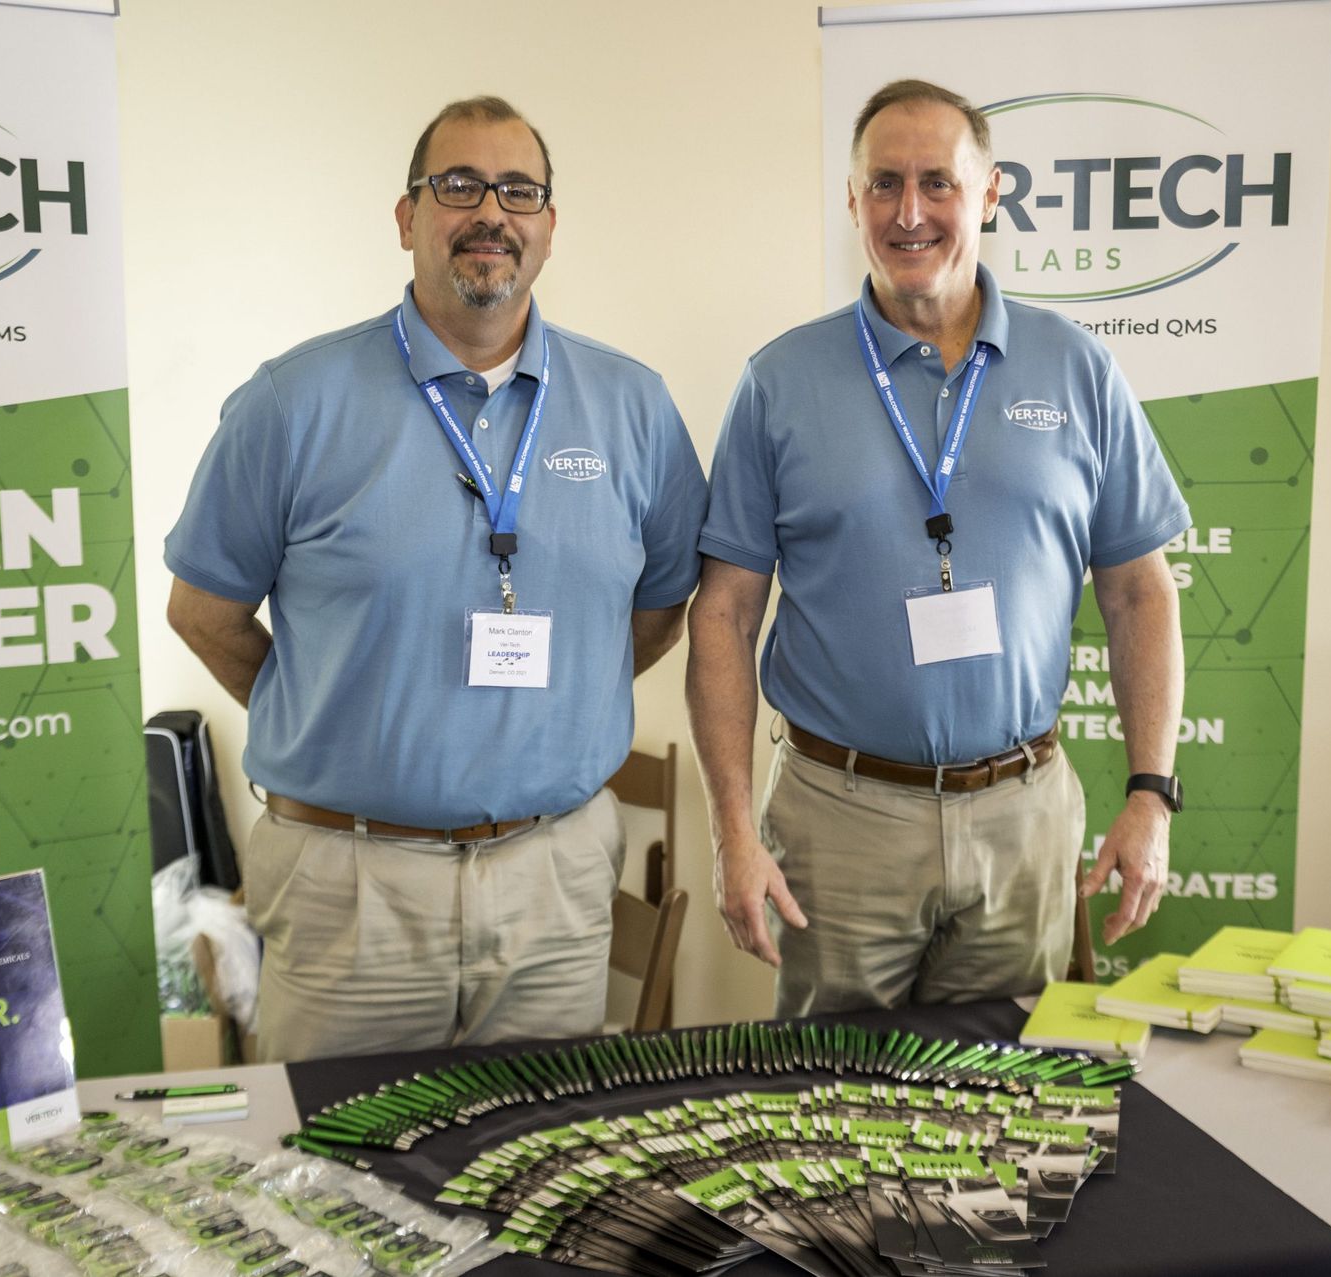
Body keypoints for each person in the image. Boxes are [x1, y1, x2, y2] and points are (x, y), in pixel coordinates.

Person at [164, 97, 707, 1061]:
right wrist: (335, 711)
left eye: (518, 190)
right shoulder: (292, 403)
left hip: (555, 877)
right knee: (340, 1152)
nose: (490, 211)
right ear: (406, 216)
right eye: (458, 186)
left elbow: (662, 608)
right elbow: (203, 611)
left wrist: (555, 708)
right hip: (349, 882)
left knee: (540, 1148)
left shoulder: (634, 407)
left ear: (549, 225)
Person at [688, 79, 1189, 1017]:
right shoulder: (780, 382)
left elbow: (1140, 592)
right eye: (883, 184)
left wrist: (1150, 795)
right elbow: (723, 615)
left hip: (1022, 815)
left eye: (937, 183)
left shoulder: (1076, 367)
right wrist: (730, 831)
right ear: (852, 201)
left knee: (1000, 1086)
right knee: (829, 1091)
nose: (908, 212)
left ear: (991, 193)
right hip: (838, 818)